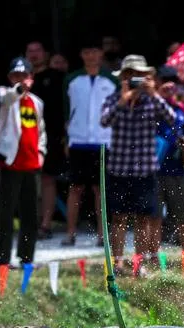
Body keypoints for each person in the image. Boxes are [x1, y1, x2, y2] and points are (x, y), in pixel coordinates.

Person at [100, 54, 176, 266]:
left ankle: (138, 263)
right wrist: (124, 100)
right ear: (123, 77)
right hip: (119, 168)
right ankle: (118, 262)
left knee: (144, 218)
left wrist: (154, 93)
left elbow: (173, 119)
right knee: (119, 218)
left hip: (145, 169)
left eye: (140, 75)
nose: (135, 78)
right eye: (131, 74)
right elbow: (104, 121)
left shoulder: (152, 100)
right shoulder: (114, 98)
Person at [64, 40, 118, 246]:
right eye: (87, 51)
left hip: (103, 141)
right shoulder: (72, 79)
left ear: (101, 53)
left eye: (94, 51)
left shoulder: (111, 80)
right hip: (78, 140)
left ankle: (102, 234)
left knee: (100, 189)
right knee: (75, 188)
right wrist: (67, 137)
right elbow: (66, 111)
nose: (91, 56)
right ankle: (70, 233)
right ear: (81, 54)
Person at [0, 57, 47, 268]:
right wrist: (17, 90)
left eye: (24, 75)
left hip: (32, 165)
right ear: (10, 78)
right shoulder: (4, 95)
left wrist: (41, 152)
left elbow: (41, 130)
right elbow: (5, 99)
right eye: (16, 76)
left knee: (31, 215)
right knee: (6, 215)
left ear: (31, 78)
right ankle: (3, 258)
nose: (21, 80)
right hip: (10, 164)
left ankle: (27, 257)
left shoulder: (37, 102)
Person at [148, 66, 184, 262]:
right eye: (165, 81)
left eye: (173, 82)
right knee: (154, 217)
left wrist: (183, 98)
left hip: (178, 170)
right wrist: (157, 95)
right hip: (154, 169)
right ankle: (153, 258)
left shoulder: (181, 109)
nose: (170, 86)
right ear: (157, 82)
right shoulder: (150, 104)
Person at [26, 40, 66, 238]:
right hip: (24, 136)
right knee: (26, 180)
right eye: (30, 51)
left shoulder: (57, 77)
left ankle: (46, 224)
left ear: (46, 54)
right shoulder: (21, 80)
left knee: (47, 179)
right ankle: (30, 221)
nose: (34, 55)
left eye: (38, 51)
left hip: (50, 135)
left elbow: (63, 108)